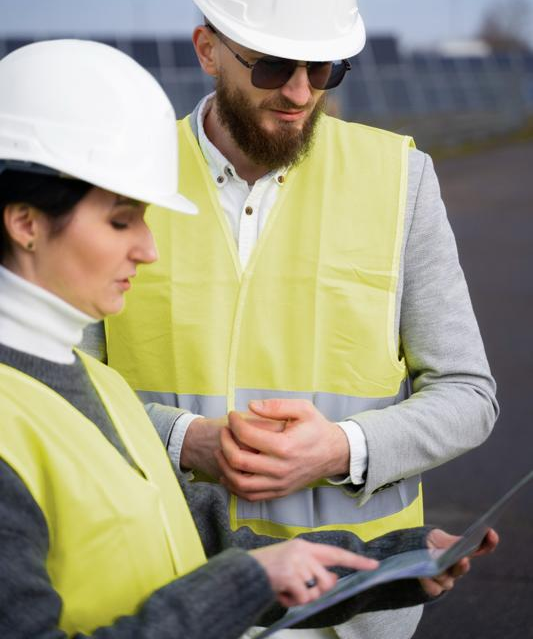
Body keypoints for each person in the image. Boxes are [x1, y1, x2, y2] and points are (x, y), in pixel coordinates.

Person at [0, 38, 500, 639]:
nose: (150, 248)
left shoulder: (96, 388)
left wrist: (392, 562)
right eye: (120, 220)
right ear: (26, 223)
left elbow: (197, 530)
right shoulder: (31, 404)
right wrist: (244, 582)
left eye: (322, 69)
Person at [100, 0, 499, 639]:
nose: (298, 93)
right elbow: (54, 392)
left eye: (323, 70)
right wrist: (185, 440)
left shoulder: (399, 179)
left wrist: (344, 450)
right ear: (205, 48)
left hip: (354, 614)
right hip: (175, 598)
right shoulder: (125, 179)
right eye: (276, 65)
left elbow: (469, 394)